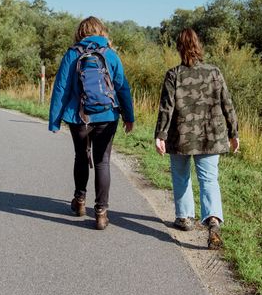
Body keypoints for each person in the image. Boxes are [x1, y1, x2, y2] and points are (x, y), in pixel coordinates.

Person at [154, 28, 239, 248]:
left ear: (179, 48)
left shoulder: (174, 74)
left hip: (181, 137)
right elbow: (227, 104)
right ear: (198, 46)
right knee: (209, 179)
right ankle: (213, 220)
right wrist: (234, 132)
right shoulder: (214, 72)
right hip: (211, 136)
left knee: (181, 176)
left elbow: (166, 108)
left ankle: (184, 217)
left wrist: (160, 135)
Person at [48, 16, 135, 230]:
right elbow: (122, 87)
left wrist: (55, 120)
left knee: (81, 156)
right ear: (101, 31)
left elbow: (61, 88)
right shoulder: (110, 55)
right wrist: (129, 116)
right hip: (107, 116)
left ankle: (79, 201)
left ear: (80, 32)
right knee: (103, 162)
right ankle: (101, 213)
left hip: (78, 117)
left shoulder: (72, 54)